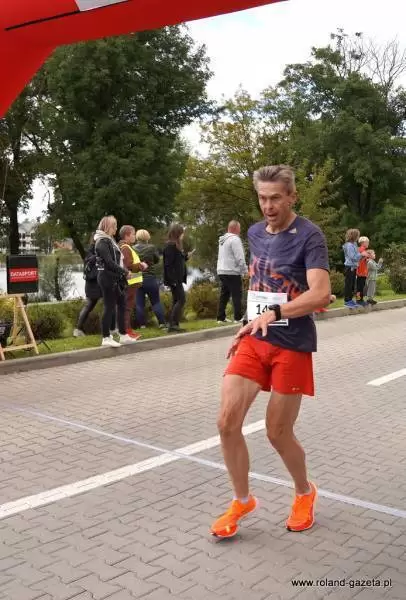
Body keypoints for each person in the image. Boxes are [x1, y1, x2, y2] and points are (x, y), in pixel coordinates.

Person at [210, 165, 331, 539]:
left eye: (276, 198)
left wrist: (276, 313)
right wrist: (248, 322)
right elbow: (260, 282)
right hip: (256, 338)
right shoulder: (254, 233)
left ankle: (304, 492)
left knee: (277, 432)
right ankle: (242, 500)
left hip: (292, 344)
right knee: (226, 422)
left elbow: (321, 293)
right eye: (262, 198)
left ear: (292, 196)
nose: (268, 206)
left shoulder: (310, 236)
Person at [94, 216, 137, 348]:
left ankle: (123, 335)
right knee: (109, 307)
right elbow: (109, 262)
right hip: (107, 278)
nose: (116, 229)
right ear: (108, 227)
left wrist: (122, 273)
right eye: (114, 226)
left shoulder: (110, 241)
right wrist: (125, 272)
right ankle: (106, 337)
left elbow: (117, 261)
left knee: (122, 304)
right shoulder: (101, 242)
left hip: (115, 278)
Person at [163, 223, 193, 333]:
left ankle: (174, 324)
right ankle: (172, 324)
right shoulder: (170, 246)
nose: (183, 235)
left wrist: (186, 257)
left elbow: (178, 260)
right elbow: (168, 265)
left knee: (176, 300)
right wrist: (172, 280)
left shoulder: (176, 246)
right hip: (174, 279)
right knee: (181, 299)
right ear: (178, 233)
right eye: (182, 233)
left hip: (178, 278)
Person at [118, 225, 148, 340]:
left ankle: (128, 330)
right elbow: (129, 265)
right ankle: (126, 331)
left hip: (132, 282)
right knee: (127, 307)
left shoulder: (126, 247)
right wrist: (141, 265)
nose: (135, 236)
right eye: (133, 234)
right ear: (127, 235)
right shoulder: (125, 248)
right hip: (130, 282)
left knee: (128, 307)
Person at [216, 220, 248, 324]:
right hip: (232, 271)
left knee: (224, 294)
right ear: (236, 228)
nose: (240, 230)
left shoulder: (222, 240)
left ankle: (220, 317)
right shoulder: (235, 239)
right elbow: (239, 257)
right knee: (236, 294)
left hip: (221, 270)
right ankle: (238, 317)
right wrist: (245, 271)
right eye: (239, 228)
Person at [134, 229, 166, 329]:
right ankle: (162, 323)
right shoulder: (151, 248)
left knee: (139, 304)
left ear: (137, 237)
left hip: (136, 278)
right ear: (147, 237)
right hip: (150, 278)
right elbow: (157, 260)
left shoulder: (132, 248)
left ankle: (142, 326)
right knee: (156, 302)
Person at [73, 234, 103, 337]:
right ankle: (108, 329)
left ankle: (78, 329)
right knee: (108, 305)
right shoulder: (98, 252)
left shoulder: (89, 253)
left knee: (88, 306)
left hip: (90, 284)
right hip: (99, 283)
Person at [343, 229, 362, 309]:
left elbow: (356, 255)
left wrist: (360, 254)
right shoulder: (349, 245)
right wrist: (361, 254)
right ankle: (347, 301)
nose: (358, 237)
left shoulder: (354, 244)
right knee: (348, 284)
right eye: (357, 235)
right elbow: (353, 257)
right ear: (354, 236)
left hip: (353, 267)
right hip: (349, 267)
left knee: (352, 285)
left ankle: (350, 300)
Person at [355, 236, 370, 306]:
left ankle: (360, 299)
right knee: (359, 287)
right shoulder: (361, 249)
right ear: (363, 242)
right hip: (360, 271)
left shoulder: (363, 250)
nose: (368, 243)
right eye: (367, 242)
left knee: (361, 286)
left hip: (363, 271)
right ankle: (359, 300)